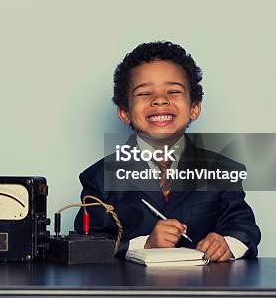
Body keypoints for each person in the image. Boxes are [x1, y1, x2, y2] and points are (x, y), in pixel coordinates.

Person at [75, 41, 261, 261]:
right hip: (132, 291)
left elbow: (244, 228)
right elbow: (86, 244)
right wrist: (145, 244)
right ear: (124, 112)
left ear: (194, 108)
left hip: (202, 291)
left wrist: (227, 244)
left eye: (173, 91)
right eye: (144, 94)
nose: (160, 100)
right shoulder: (99, 177)